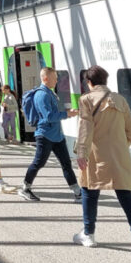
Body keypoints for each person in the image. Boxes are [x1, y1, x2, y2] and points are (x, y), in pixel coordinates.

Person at [73, 66, 131, 258]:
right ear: (106, 80)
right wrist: (118, 146)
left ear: (88, 82)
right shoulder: (120, 99)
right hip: (119, 155)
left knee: (89, 192)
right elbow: (130, 132)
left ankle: (88, 234)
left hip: (95, 155)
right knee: (126, 197)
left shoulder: (86, 99)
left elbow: (85, 129)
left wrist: (81, 153)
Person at [18, 67, 80, 202]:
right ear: (45, 78)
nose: (57, 80)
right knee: (39, 163)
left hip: (57, 135)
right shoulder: (42, 95)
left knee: (66, 163)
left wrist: (68, 112)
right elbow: (48, 116)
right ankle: (25, 188)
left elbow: (54, 112)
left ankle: (77, 191)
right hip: (45, 135)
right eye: (54, 78)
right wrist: (67, 114)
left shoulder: (50, 93)